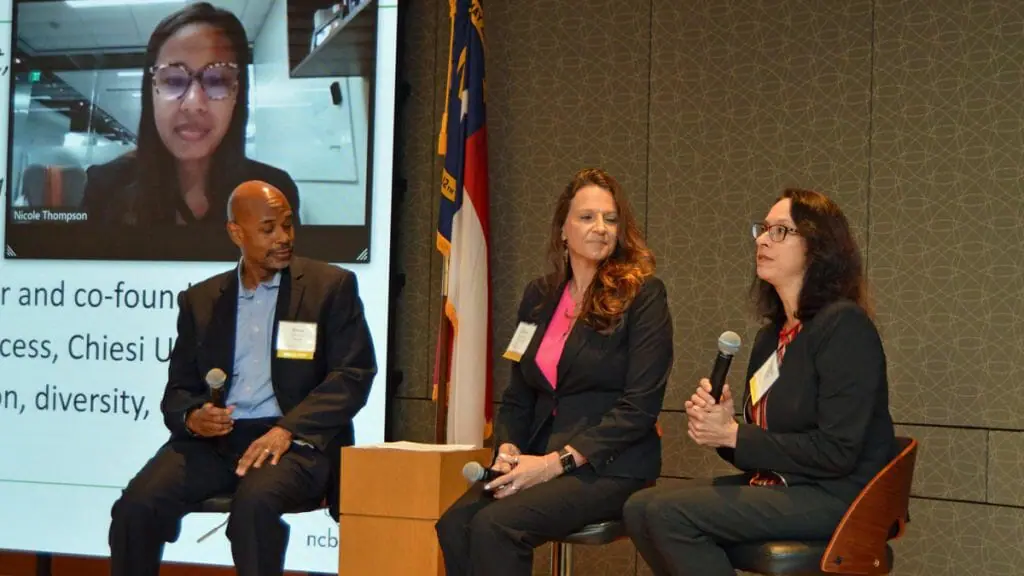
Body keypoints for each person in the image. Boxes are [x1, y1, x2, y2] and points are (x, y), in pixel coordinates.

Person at [622, 189, 897, 576]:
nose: (763, 239)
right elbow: (764, 444)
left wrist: (735, 436)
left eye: (781, 231)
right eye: (763, 229)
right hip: (781, 484)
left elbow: (838, 452)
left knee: (671, 515)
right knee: (639, 507)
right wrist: (722, 429)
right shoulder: (772, 337)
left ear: (818, 247)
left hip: (838, 495)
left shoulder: (844, 326)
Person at [108, 180, 376, 576]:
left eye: (288, 225)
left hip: (294, 442)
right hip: (217, 442)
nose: (283, 238)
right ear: (236, 232)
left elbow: (353, 374)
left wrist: (287, 431)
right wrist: (192, 417)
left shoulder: (329, 287)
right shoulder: (201, 300)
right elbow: (178, 390)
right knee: (136, 506)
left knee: (253, 507)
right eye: (268, 229)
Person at [434, 168, 674, 576]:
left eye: (610, 219)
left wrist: (553, 463)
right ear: (563, 229)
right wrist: (509, 450)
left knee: (497, 525)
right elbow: (519, 395)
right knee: (455, 524)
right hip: (535, 455)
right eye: (586, 217)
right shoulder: (539, 296)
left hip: (609, 465)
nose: (600, 228)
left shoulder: (643, 295)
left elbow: (640, 407)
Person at [82, 3, 301, 226]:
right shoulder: (105, 187)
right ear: (150, 93)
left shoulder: (272, 191)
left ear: (238, 94)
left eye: (217, 81)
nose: (194, 103)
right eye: (174, 80)